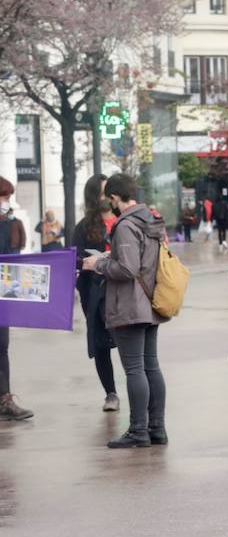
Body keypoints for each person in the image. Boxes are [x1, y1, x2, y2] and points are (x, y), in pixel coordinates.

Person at [82, 173, 169, 449]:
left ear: (115, 198)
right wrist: (112, 257)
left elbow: (128, 269)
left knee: (135, 370)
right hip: (150, 302)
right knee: (150, 366)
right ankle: (157, 428)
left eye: (111, 199)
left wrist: (98, 263)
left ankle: (138, 430)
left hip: (130, 305)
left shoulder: (125, 225)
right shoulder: (150, 221)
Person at [73, 173, 119, 413]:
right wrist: (90, 262)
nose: (107, 195)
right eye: (102, 191)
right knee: (101, 343)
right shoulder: (84, 227)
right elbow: (75, 260)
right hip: (96, 292)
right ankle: (110, 393)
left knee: (129, 341)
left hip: (123, 290)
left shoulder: (124, 219)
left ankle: (138, 388)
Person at [0, 176, 34, 421]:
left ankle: (5, 398)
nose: (7, 201)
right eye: (4, 196)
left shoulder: (8, 223)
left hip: (2, 296)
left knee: (2, 348)